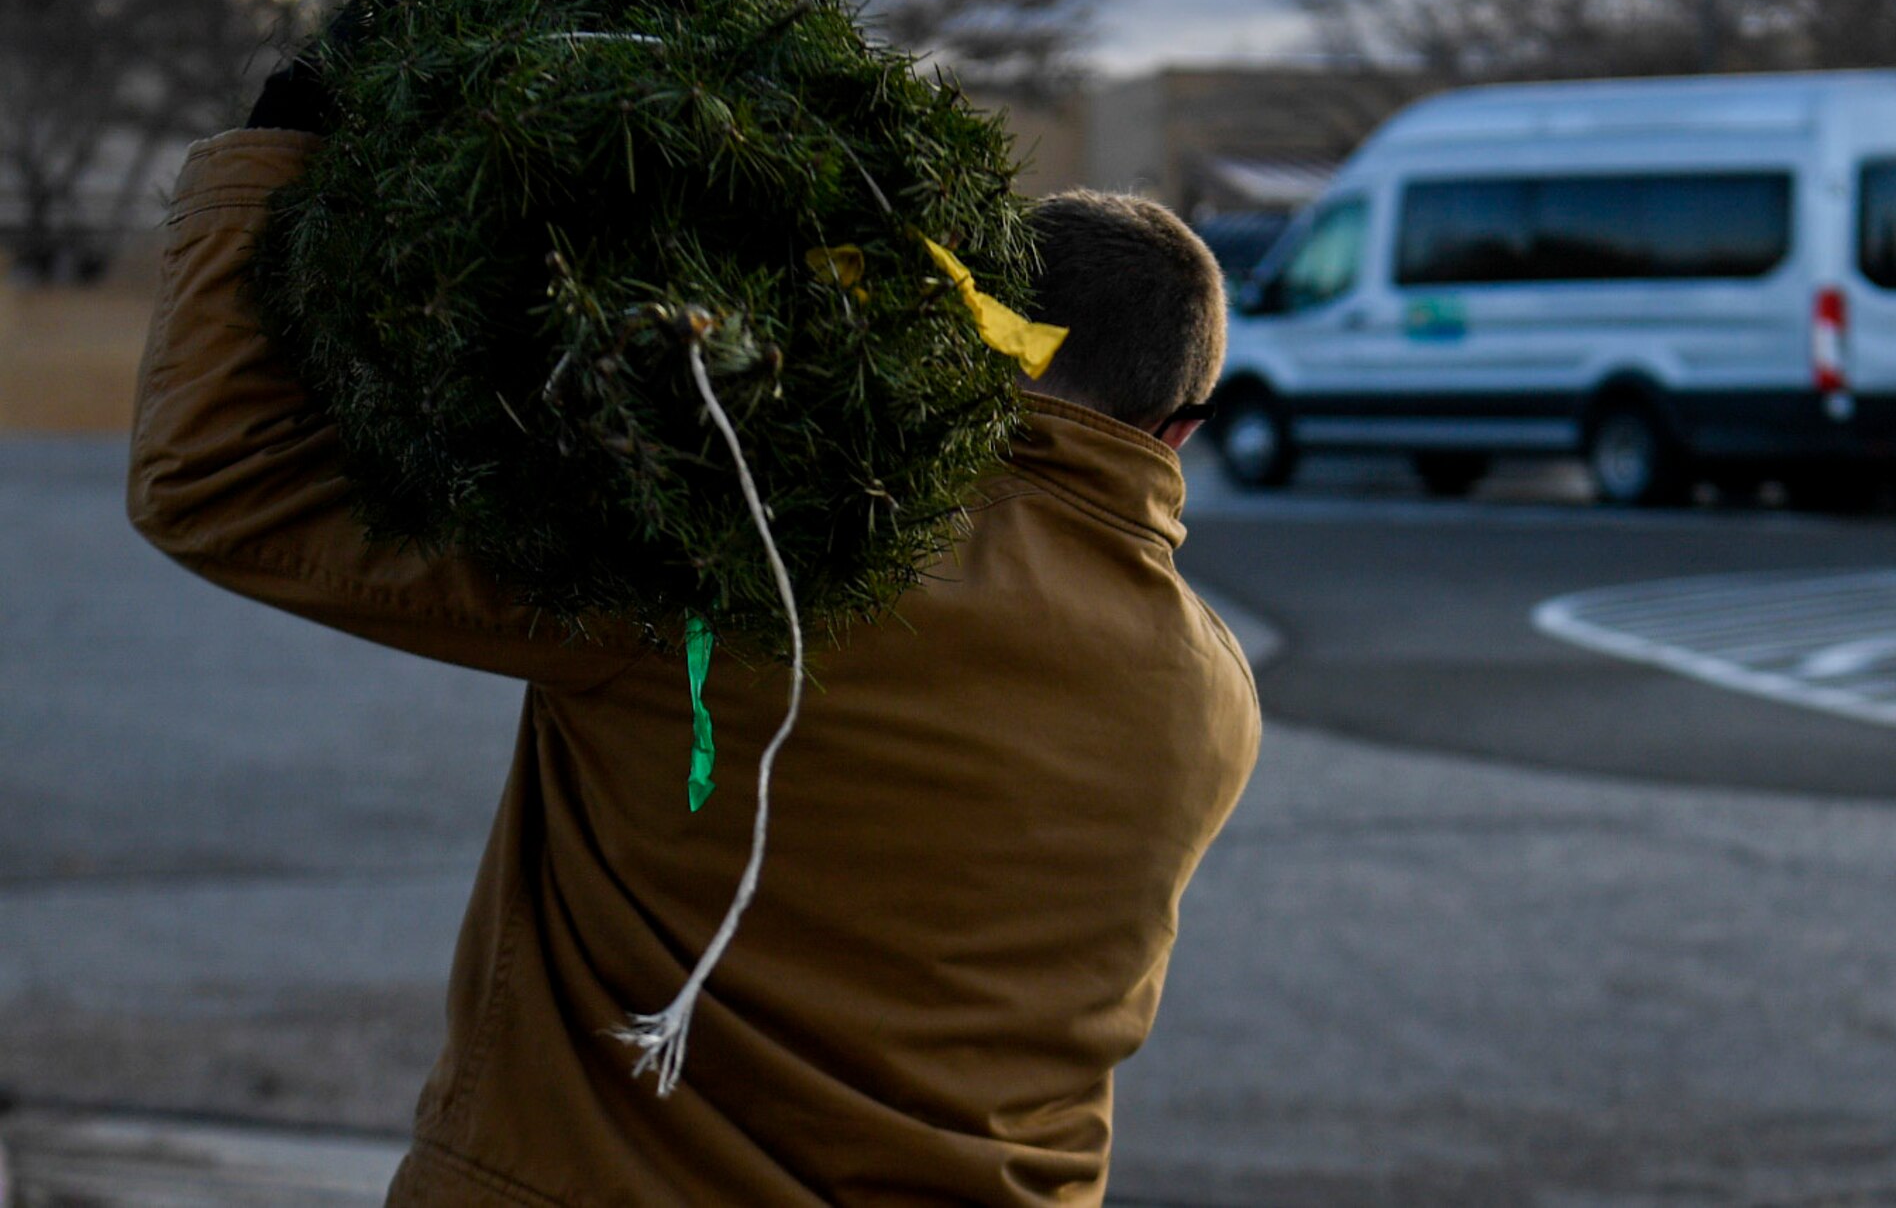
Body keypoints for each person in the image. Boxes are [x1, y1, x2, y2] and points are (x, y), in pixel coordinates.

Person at [128, 108, 1260, 1204]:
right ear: (1179, 430)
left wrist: (278, 148)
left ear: (952, 334)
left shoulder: (749, 557)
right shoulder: (1213, 699)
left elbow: (222, 480)